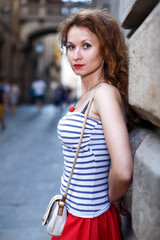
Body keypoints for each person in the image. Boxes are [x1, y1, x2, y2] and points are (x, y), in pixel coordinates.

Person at [52, 9, 137, 240]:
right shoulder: (88, 94)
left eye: (86, 46)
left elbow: (122, 169)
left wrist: (110, 197)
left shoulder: (105, 93)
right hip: (71, 213)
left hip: (89, 219)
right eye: (70, 47)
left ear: (105, 49)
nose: (76, 55)